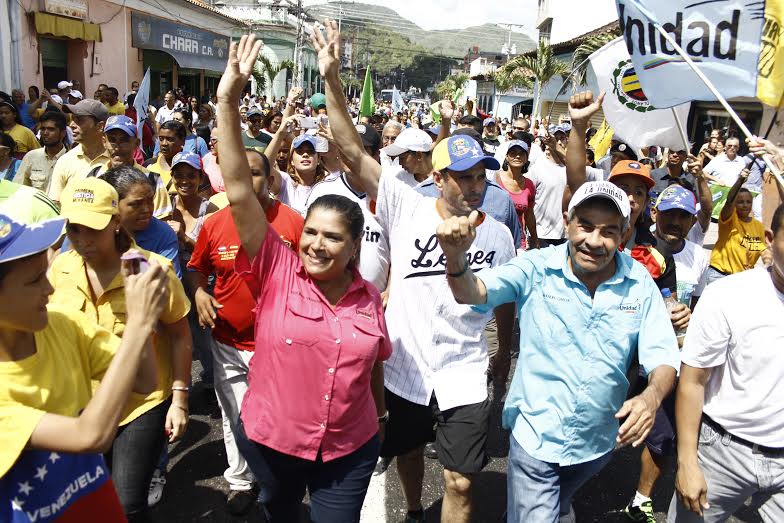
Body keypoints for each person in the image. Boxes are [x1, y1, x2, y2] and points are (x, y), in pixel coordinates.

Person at [314, 22, 517, 523]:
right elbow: (351, 150)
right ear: (439, 177)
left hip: (465, 371)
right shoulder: (405, 205)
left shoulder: (499, 235)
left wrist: (505, 355)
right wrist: (332, 79)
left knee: (461, 480)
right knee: (405, 453)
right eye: (462, 178)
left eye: (479, 176)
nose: (473, 187)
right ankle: (410, 508)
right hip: (404, 367)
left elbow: (505, 301)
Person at [217, 34, 391, 522]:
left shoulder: (368, 298)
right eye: (310, 232)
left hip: (349, 451)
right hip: (274, 442)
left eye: (332, 238)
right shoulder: (277, 269)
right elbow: (237, 189)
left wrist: (379, 419)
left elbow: (373, 363)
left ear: (355, 245)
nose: (316, 244)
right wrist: (227, 99)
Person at [438, 177, 680, 522]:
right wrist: (456, 259)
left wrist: (651, 397)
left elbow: (664, 355)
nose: (594, 241)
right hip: (537, 438)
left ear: (624, 235)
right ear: (567, 223)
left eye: (609, 231)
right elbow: (473, 292)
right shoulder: (536, 267)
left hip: (598, 442)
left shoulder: (639, 281)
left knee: (554, 500)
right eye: (585, 226)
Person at [0, 213, 170, 521]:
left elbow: (145, 382)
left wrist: (139, 320)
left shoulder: (64, 324)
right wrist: (139, 325)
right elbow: (89, 436)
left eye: (45, 274)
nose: (49, 290)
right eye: (35, 280)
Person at [48, 177, 192, 521]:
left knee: (128, 502)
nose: (82, 241)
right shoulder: (61, 268)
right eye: (74, 229)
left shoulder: (146, 269)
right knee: (89, 498)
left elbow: (179, 335)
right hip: (82, 404)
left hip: (140, 406)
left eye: (92, 230)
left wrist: (180, 399)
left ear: (114, 223)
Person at [187, 148, 304, 515]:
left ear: (270, 180)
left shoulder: (293, 223)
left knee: (277, 416)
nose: (247, 181)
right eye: (240, 174)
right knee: (235, 415)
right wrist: (200, 291)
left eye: (255, 173)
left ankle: (279, 478)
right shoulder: (214, 223)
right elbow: (196, 267)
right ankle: (241, 481)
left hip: (279, 346)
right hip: (226, 341)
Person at [668, 203, 784, 523]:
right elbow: (693, 380)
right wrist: (688, 463)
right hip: (722, 455)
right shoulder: (729, 296)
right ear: (771, 239)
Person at [623, 185, 709, 523]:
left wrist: (691, 317)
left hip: (674, 358)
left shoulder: (700, 257)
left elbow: (699, 305)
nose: (675, 221)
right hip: (631, 353)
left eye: (683, 216)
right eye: (669, 213)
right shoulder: (640, 248)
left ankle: (641, 499)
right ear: (655, 214)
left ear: (692, 221)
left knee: (663, 438)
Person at [101, 165, 182, 277]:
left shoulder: (163, 234)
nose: (147, 209)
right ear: (113, 203)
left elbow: (169, 286)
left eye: (150, 201)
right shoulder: (92, 229)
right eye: (136, 204)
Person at [100, 115, 173, 220]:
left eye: (124, 140)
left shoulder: (152, 179)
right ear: (104, 142)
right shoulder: (95, 176)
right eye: (112, 140)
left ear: (136, 144)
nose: (117, 146)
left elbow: (162, 223)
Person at [706, 168, 767, 284]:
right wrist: (740, 180)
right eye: (740, 202)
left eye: (748, 202)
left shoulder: (758, 226)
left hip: (742, 278)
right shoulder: (729, 220)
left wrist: (769, 264)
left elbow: (763, 250)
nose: (745, 205)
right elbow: (729, 201)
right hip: (720, 275)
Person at [48, 99, 111, 202]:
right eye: (72, 119)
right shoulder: (65, 161)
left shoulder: (116, 159)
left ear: (100, 126)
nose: (72, 125)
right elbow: (55, 203)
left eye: (79, 120)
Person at [264, 120, 330, 214]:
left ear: (319, 159)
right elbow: (264, 166)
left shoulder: (327, 184)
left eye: (311, 151)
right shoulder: (285, 182)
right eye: (300, 151)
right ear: (291, 160)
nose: (305, 154)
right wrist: (280, 133)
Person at [494, 139, 539, 250]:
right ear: (506, 157)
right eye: (513, 153)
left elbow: (529, 215)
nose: (517, 156)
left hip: (518, 242)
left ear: (526, 158)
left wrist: (535, 239)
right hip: (495, 239)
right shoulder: (494, 178)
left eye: (521, 154)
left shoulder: (529, 185)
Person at [13, 110, 67, 193]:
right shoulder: (31, 156)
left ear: (63, 133)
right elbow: (18, 188)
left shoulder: (71, 159)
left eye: (51, 129)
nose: (45, 133)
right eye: (43, 129)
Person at [147, 120, 186, 194]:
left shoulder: (192, 168)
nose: (164, 143)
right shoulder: (149, 165)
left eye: (170, 139)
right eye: (161, 139)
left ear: (182, 141)